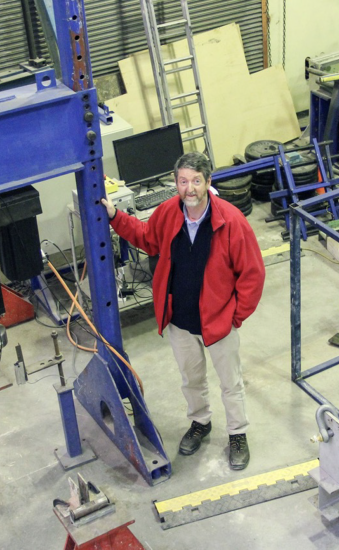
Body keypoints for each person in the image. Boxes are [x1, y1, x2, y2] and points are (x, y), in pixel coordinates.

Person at [100, 151, 265, 470]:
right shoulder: (167, 211)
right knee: (191, 380)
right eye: (183, 181)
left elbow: (252, 274)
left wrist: (235, 316)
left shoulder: (231, 221)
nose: (189, 188)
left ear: (208, 182)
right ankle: (201, 423)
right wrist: (114, 216)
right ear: (176, 183)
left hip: (218, 324)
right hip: (179, 321)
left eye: (196, 181)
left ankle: (237, 434)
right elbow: (147, 239)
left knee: (230, 383)